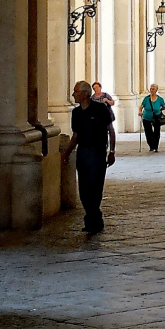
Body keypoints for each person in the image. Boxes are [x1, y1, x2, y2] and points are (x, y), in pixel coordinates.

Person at [62, 79, 116, 233]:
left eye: (76, 91)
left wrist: (112, 152)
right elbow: (75, 136)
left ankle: (94, 220)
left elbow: (111, 130)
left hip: (98, 153)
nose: (73, 94)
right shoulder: (76, 113)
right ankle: (93, 218)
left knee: (95, 187)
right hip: (83, 153)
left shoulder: (100, 109)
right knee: (84, 189)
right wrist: (66, 154)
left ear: (85, 93)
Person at [139, 83, 165, 153]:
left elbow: (164, 106)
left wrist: (159, 110)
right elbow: (141, 106)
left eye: (153, 89)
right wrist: (140, 112)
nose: (151, 90)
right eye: (151, 89)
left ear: (156, 90)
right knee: (148, 132)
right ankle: (151, 146)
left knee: (156, 132)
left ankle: (156, 146)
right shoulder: (146, 98)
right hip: (146, 117)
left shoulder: (160, 99)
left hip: (156, 117)